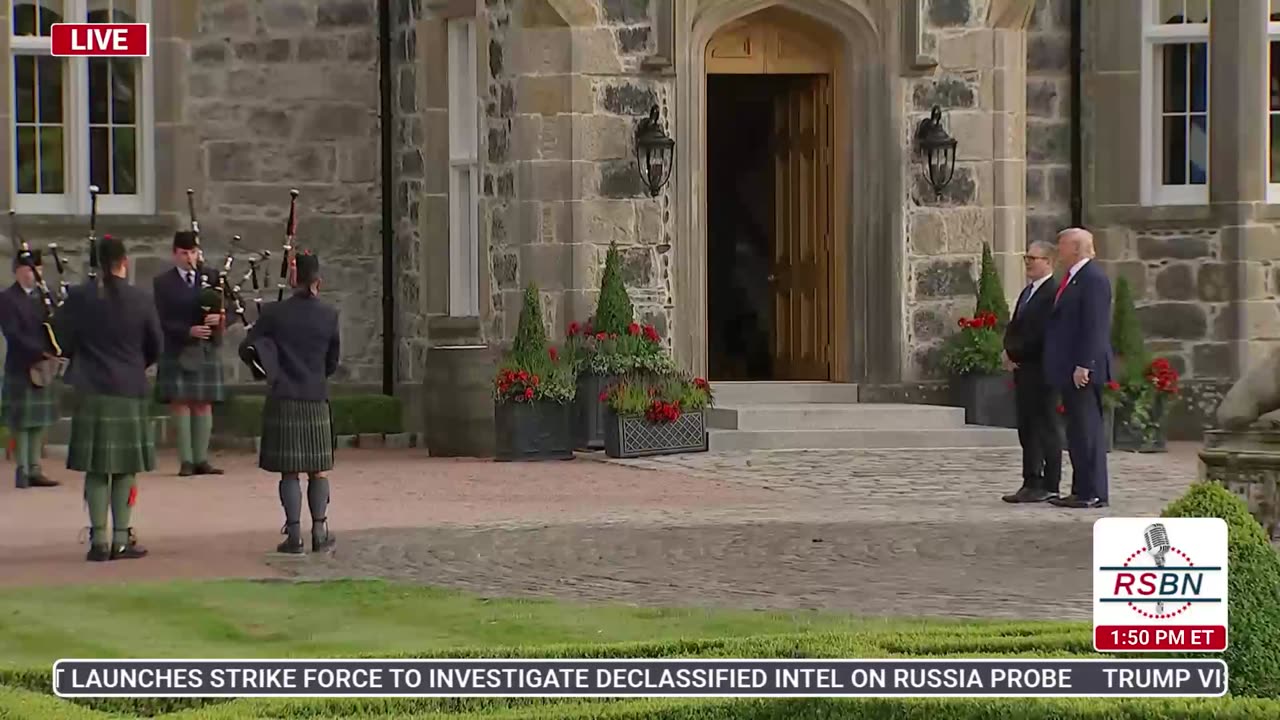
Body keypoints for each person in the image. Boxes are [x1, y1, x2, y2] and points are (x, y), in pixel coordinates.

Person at [57, 235, 163, 560]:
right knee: (125, 469)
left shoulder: (78, 298)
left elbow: (61, 340)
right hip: (128, 388)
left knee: (96, 469)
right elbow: (155, 346)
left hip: (91, 389)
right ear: (124, 262)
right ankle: (121, 538)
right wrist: (134, 366)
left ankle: (99, 541)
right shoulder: (141, 299)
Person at [240, 251, 340, 554]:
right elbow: (332, 362)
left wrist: (268, 363)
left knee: (290, 471)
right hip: (315, 395)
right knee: (317, 469)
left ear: (294, 279)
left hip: (284, 395)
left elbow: (248, 347)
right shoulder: (329, 315)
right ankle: (320, 531)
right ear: (318, 282)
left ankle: (294, 535)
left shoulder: (274, 314)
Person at [1043, 227, 1112, 509]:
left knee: (1087, 431)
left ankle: (1093, 491)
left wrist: (1085, 363)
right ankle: (1081, 488)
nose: (1058, 251)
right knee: (1076, 432)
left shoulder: (1092, 279)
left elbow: (1094, 326)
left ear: (1076, 247)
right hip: (1069, 367)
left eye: (1062, 245)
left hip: (1083, 368)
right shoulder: (1074, 278)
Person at [153, 231, 226, 476]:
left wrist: (221, 318)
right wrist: (187, 330)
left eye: (192, 252)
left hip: (205, 348)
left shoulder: (211, 276)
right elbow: (159, 319)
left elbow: (237, 307)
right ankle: (186, 460)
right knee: (181, 403)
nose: (189, 257)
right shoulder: (163, 283)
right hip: (178, 347)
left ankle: (201, 459)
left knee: (203, 403)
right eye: (184, 253)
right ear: (175, 254)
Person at [1000, 241, 1061, 503]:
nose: (1028, 262)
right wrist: (1007, 351)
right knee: (1027, 428)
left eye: (1033, 258)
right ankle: (1031, 479)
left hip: (1041, 370)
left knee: (1045, 427)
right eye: (1026, 257)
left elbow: (1043, 334)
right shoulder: (1028, 292)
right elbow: (1016, 326)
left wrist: (1017, 353)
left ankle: (1050, 482)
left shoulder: (1052, 293)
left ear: (1048, 262)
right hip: (1024, 370)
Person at [0, 250, 60, 488]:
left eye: (37, 269)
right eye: (28, 269)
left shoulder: (44, 297)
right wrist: (39, 351)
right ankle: (22, 469)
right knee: (23, 422)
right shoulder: (6, 298)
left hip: (44, 367)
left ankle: (35, 468)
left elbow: (55, 326)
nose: (33, 274)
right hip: (22, 365)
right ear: (16, 271)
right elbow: (12, 333)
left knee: (39, 421)